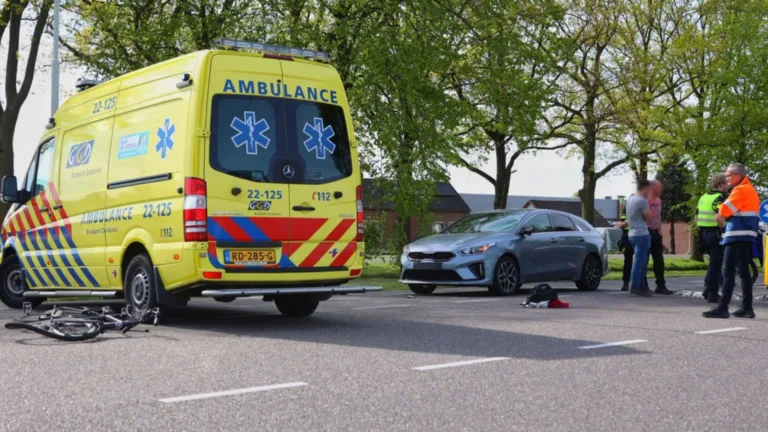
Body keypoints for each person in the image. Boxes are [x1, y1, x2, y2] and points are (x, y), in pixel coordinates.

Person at [703, 163, 760, 319]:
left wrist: (721, 210)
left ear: (739, 175)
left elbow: (724, 211)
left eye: (729, 175)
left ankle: (723, 308)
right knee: (744, 272)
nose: (726, 178)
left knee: (727, 271)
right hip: (748, 236)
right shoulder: (751, 190)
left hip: (735, 235)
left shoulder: (739, 190)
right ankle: (747, 308)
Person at [698, 173, 728, 303]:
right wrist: (724, 230)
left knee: (712, 263)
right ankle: (712, 292)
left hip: (703, 233)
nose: (728, 186)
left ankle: (707, 289)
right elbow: (718, 217)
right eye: (726, 183)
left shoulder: (703, 197)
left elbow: (696, 216)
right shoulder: (719, 198)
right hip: (715, 233)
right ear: (721, 185)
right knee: (716, 264)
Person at [625, 180, 655, 297]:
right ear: (645, 188)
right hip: (641, 233)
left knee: (640, 261)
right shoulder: (642, 201)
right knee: (640, 262)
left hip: (631, 233)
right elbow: (649, 217)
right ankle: (635, 286)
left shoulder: (630, 199)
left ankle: (641, 285)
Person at [647, 180, 672, 294]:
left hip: (656, 233)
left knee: (659, 261)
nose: (661, 190)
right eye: (658, 188)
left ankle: (660, 285)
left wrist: (660, 230)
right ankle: (643, 284)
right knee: (644, 260)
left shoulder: (658, 200)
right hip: (646, 232)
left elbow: (659, 215)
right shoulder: (644, 200)